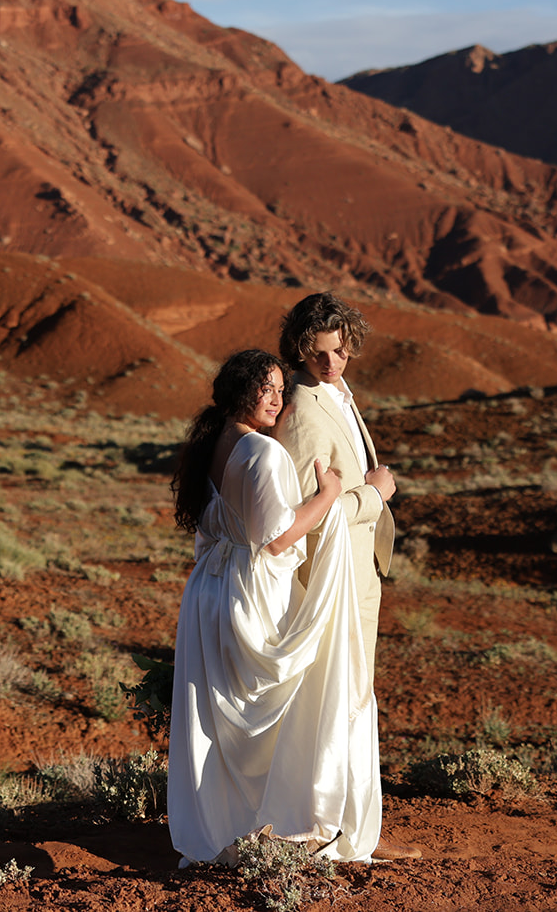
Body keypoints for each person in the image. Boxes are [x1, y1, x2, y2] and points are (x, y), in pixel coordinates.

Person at [167, 349, 381, 866]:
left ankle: (232, 826)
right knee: (287, 698)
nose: (277, 399)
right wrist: (331, 494)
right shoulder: (262, 454)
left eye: (281, 389)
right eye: (266, 389)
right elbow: (278, 540)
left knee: (227, 717)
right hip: (251, 592)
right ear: (241, 391)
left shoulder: (214, 444)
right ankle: (290, 824)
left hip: (210, 592)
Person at [274, 292, 420, 861]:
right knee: (338, 695)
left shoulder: (336, 391)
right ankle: (329, 830)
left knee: (357, 694)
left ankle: (356, 828)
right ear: (300, 352)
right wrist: (373, 495)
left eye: (339, 350)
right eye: (317, 355)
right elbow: (308, 511)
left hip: (363, 569)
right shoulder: (305, 408)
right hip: (335, 576)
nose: (330, 363)